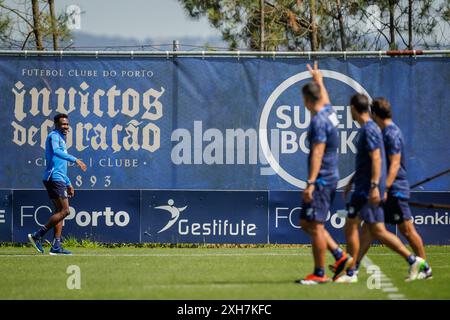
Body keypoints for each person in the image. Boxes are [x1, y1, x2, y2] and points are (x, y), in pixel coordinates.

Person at [336, 94, 425, 283]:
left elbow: (384, 161)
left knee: (397, 229)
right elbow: (371, 161)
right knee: (370, 229)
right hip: (370, 186)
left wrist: (379, 187)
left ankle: (418, 263)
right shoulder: (376, 131)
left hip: (379, 188)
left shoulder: (378, 131)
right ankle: (353, 269)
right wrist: (353, 181)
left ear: (354, 109)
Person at [297, 62, 352, 285]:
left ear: (308, 101)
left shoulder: (319, 121)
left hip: (321, 178)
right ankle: (340, 257)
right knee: (305, 222)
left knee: (316, 225)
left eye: (304, 100)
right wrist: (318, 79)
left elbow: (317, 153)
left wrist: (310, 183)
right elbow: (326, 98)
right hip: (329, 176)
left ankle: (319, 274)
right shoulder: (328, 112)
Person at [28, 113, 87, 255]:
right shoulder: (54, 136)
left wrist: (68, 183)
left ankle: (56, 246)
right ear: (56, 125)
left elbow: (60, 165)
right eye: (63, 124)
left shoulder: (61, 138)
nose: (66, 126)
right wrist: (75, 159)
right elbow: (56, 152)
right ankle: (37, 235)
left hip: (58, 178)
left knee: (59, 212)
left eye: (67, 124)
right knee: (65, 211)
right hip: (54, 178)